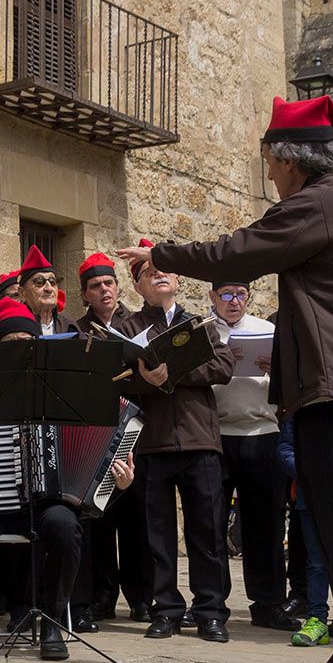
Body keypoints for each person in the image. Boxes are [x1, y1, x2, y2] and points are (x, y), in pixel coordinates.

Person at [120, 93, 333, 663]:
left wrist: (162, 254)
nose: (271, 178)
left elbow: (238, 253)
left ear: (289, 158)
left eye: (270, 165)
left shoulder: (321, 201)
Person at [0, 298, 132, 663]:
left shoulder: (64, 395)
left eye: (25, 339)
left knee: (65, 525)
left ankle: (51, 618)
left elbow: (102, 454)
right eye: (10, 340)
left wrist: (121, 482)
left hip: (46, 504)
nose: (19, 347)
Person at [123, 255, 236, 642]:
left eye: (164, 272)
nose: (159, 277)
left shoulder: (198, 323)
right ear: (137, 287)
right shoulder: (128, 328)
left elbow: (223, 366)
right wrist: (146, 379)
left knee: (207, 531)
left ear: (177, 280)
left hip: (200, 439)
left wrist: (174, 370)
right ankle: (166, 610)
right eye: (148, 274)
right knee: (158, 535)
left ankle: (211, 611)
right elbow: (117, 382)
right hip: (152, 443)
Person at [209, 279, 296, 631]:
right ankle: (212, 603)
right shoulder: (203, 332)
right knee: (211, 523)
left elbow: (291, 381)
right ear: (212, 297)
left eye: (240, 294)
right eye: (226, 295)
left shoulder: (267, 330)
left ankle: (269, 602)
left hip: (261, 433)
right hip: (215, 436)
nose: (234, 301)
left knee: (265, 523)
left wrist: (275, 372)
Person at [73, 253, 149, 624]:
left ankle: (141, 596)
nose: (103, 290)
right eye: (94, 286)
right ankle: (103, 593)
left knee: (137, 517)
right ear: (85, 294)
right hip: (98, 431)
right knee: (100, 516)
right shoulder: (77, 330)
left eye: (108, 283)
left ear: (118, 287)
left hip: (135, 429)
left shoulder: (137, 324)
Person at [277, 416, 331, 647]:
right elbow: (285, 449)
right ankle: (317, 618)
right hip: (310, 497)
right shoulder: (303, 408)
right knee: (317, 562)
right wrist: (307, 473)